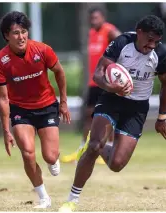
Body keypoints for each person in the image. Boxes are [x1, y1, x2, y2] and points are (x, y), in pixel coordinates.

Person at [59, 15, 166, 212]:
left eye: (157, 41)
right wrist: (112, 88)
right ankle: (72, 200)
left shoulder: (161, 54)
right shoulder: (122, 43)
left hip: (137, 108)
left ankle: (96, 143)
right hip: (112, 99)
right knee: (94, 146)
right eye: (149, 40)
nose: (152, 45)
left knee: (117, 164)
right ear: (139, 33)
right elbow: (98, 74)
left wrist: (161, 117)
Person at [0, 11, 71, 209]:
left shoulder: (42, 50)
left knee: (50, 156)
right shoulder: (0, 62)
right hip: (21, 110)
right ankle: (43, 197)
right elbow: (3, 98)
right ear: (6, 36)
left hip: (46, 106)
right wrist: (6, 130)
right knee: (27, 153)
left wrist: (63, 102)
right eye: (16, 33)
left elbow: (60, 72)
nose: (21, 37)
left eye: (24, 32)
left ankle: (53, 159)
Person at [60, 7, 121, 164]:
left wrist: (117, 74)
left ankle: (109, 148)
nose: (93, 21)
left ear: (103, 17)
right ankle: (82, 148)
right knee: (89, 115)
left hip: (107, 82)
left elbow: (124, 47)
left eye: (96, 18)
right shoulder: (91, 33)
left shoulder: (110, 31)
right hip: (94, 82)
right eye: (91, 18)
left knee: (108, 115)